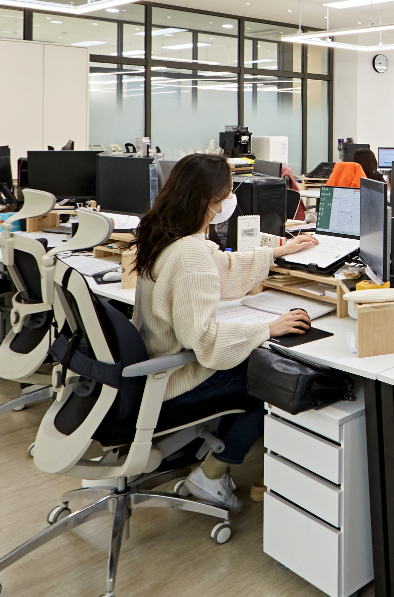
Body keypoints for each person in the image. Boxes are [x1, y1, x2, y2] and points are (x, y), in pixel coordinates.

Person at [131, 152, 322, 510]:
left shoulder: (165, 235)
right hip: (175, 378)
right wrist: (268, 328)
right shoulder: (188, 253)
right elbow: (203, 340)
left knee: (258, 366)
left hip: (155, 366)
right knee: (274, 380)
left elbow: (222, 265)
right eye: (226, 195)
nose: (229, 202)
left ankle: (218, 461)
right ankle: (213, 471)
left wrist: (279, 251)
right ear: (209, 201)